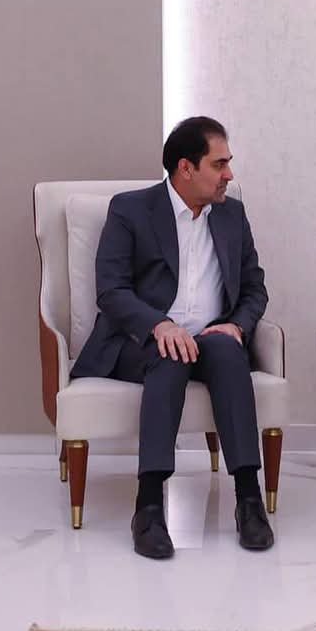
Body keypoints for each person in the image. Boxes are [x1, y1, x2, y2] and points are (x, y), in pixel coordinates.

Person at [71, 116, 273, 557]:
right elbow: (111, 289)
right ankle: (148, 506)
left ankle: (249, 500)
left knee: (227, 351)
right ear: (186, 167)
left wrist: (237, 325)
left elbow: (254, 288)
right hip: (143, 342)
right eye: (219, 164)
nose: (229, 174)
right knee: (171, 354)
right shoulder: (131, 210)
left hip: (211, 338)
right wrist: (159, 325)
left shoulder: (232, 215)